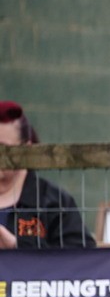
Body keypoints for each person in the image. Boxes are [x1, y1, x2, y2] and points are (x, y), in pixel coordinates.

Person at [0, 101, 95, 249]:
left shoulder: (52, 201)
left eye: (3, 148)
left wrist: (16, 246)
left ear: (26, 149)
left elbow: (80, 257)